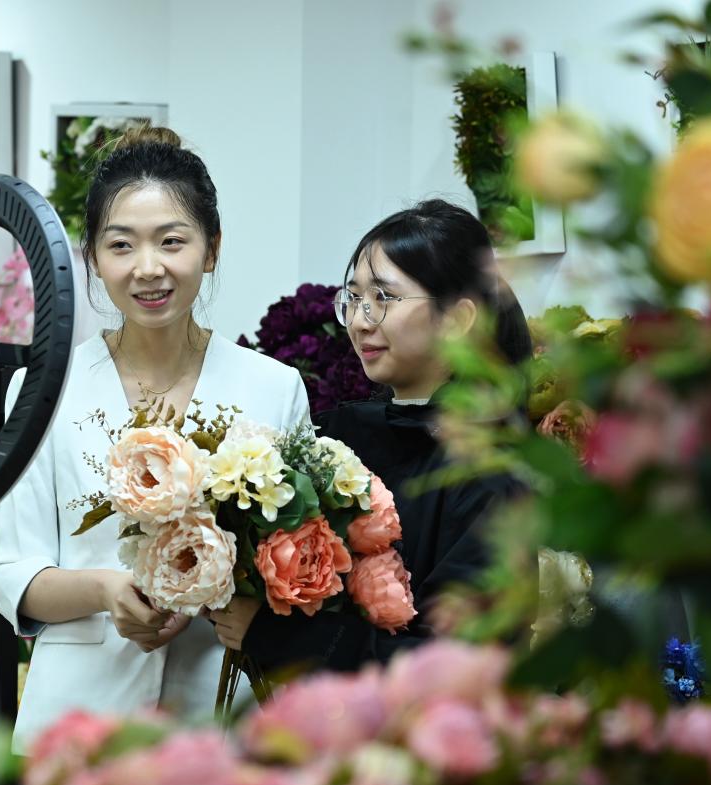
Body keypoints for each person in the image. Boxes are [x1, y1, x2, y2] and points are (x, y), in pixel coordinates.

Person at [0, 126, 311, 753]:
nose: (148, 268)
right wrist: (106, 591)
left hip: (219, 715)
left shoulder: (273, 388)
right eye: (121, 245)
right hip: (78, 726)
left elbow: (298, 559)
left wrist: (238, 600)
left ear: (211, 249)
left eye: (172, 241)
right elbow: (10, 571)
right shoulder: (45, 387)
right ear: (92, 258)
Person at [209, 198, 533, 673]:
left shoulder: (490, 475)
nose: (361, 321)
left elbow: (460, 665)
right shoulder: (339, 438)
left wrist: (277, 636)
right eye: (355, 298)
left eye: (383, 298)